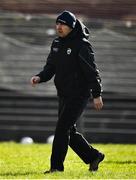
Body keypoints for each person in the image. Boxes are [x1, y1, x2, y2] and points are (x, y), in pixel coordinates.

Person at [30, 10, 105, 173]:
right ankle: (93, 156)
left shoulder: (82, 45)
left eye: (62, 24)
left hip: (79, 95)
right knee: (68, 131)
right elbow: (50, 67)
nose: (59, 27)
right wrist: (40, 77)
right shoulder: (56, 44)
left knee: (62, 129)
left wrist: (97, 94)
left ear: (71, 26)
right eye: (57, 23)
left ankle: (56, 168)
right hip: (63, 93)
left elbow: (92, 72)